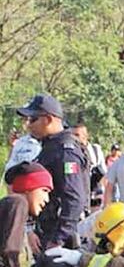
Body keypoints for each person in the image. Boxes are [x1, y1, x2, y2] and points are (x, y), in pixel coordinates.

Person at [17, 93, 87, 248]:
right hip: (45, 230)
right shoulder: (49, 147)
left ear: (48, 119)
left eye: (33, 119)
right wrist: (30, 229)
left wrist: (58, 240)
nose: (28, 125)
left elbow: (74, 200)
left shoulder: (66, 152)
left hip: (62, 239)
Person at [0, 163, 53, 267]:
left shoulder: (12, 204)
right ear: (29, 187)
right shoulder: (18, 202)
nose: (47, 199)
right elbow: (10, 250)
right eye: (44, 190)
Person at [72, 121, 106, 209]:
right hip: (78, 193)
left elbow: (104, 172)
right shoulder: (70, 153)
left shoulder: (96, 150)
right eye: (72, 135)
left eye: (77, 135)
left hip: (95, 193)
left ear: (85, 136)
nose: (73, 138)